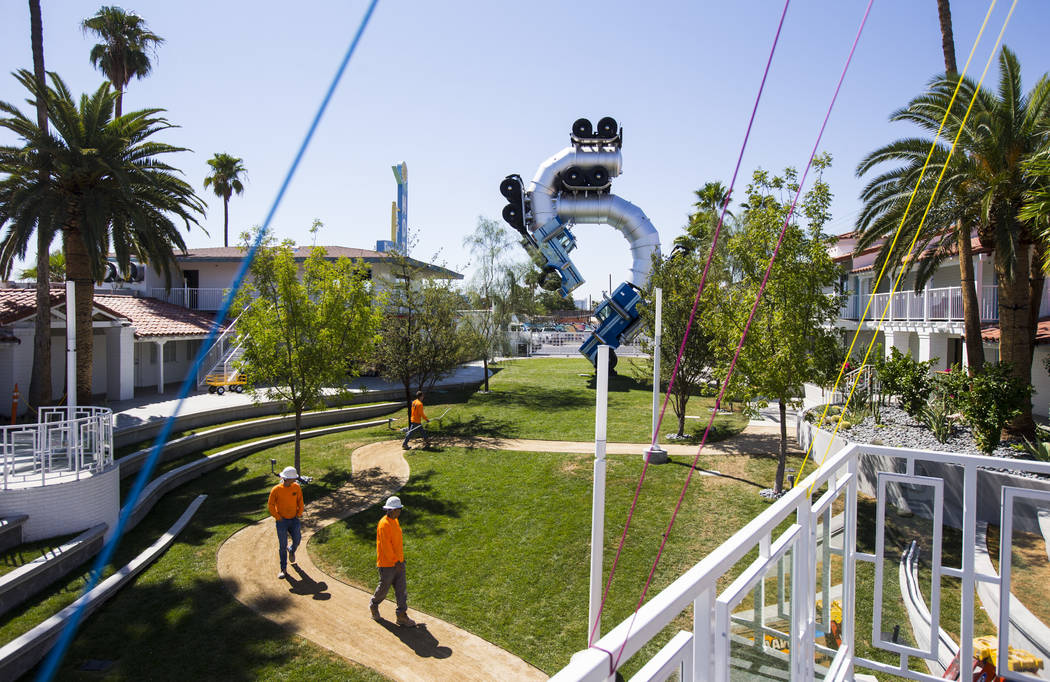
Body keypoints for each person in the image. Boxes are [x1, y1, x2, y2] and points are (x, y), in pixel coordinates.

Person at [369, 495, 416, 626]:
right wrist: (396, 562)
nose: (399, 512)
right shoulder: (384, 525)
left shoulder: (395, 521)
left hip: (399, 563)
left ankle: (401, 615)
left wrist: (401, 560)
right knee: (384, 589)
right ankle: (374, 605)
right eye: (398, 509)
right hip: (387, 564)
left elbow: (397, 544)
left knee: (401, 591)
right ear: (391, 510)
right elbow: (386, 547)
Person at [267, 466, 304, 579]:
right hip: (281, 521)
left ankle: (292, 550)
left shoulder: (296, 487)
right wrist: (277, 517)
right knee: (282, 546)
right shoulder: (276, 490)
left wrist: (299, 513)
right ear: (287, 479)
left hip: (294, 519)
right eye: (293, 478)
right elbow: (271, 505)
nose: (295, 480)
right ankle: (283, 569)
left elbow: (300, 501)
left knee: (297, 539)